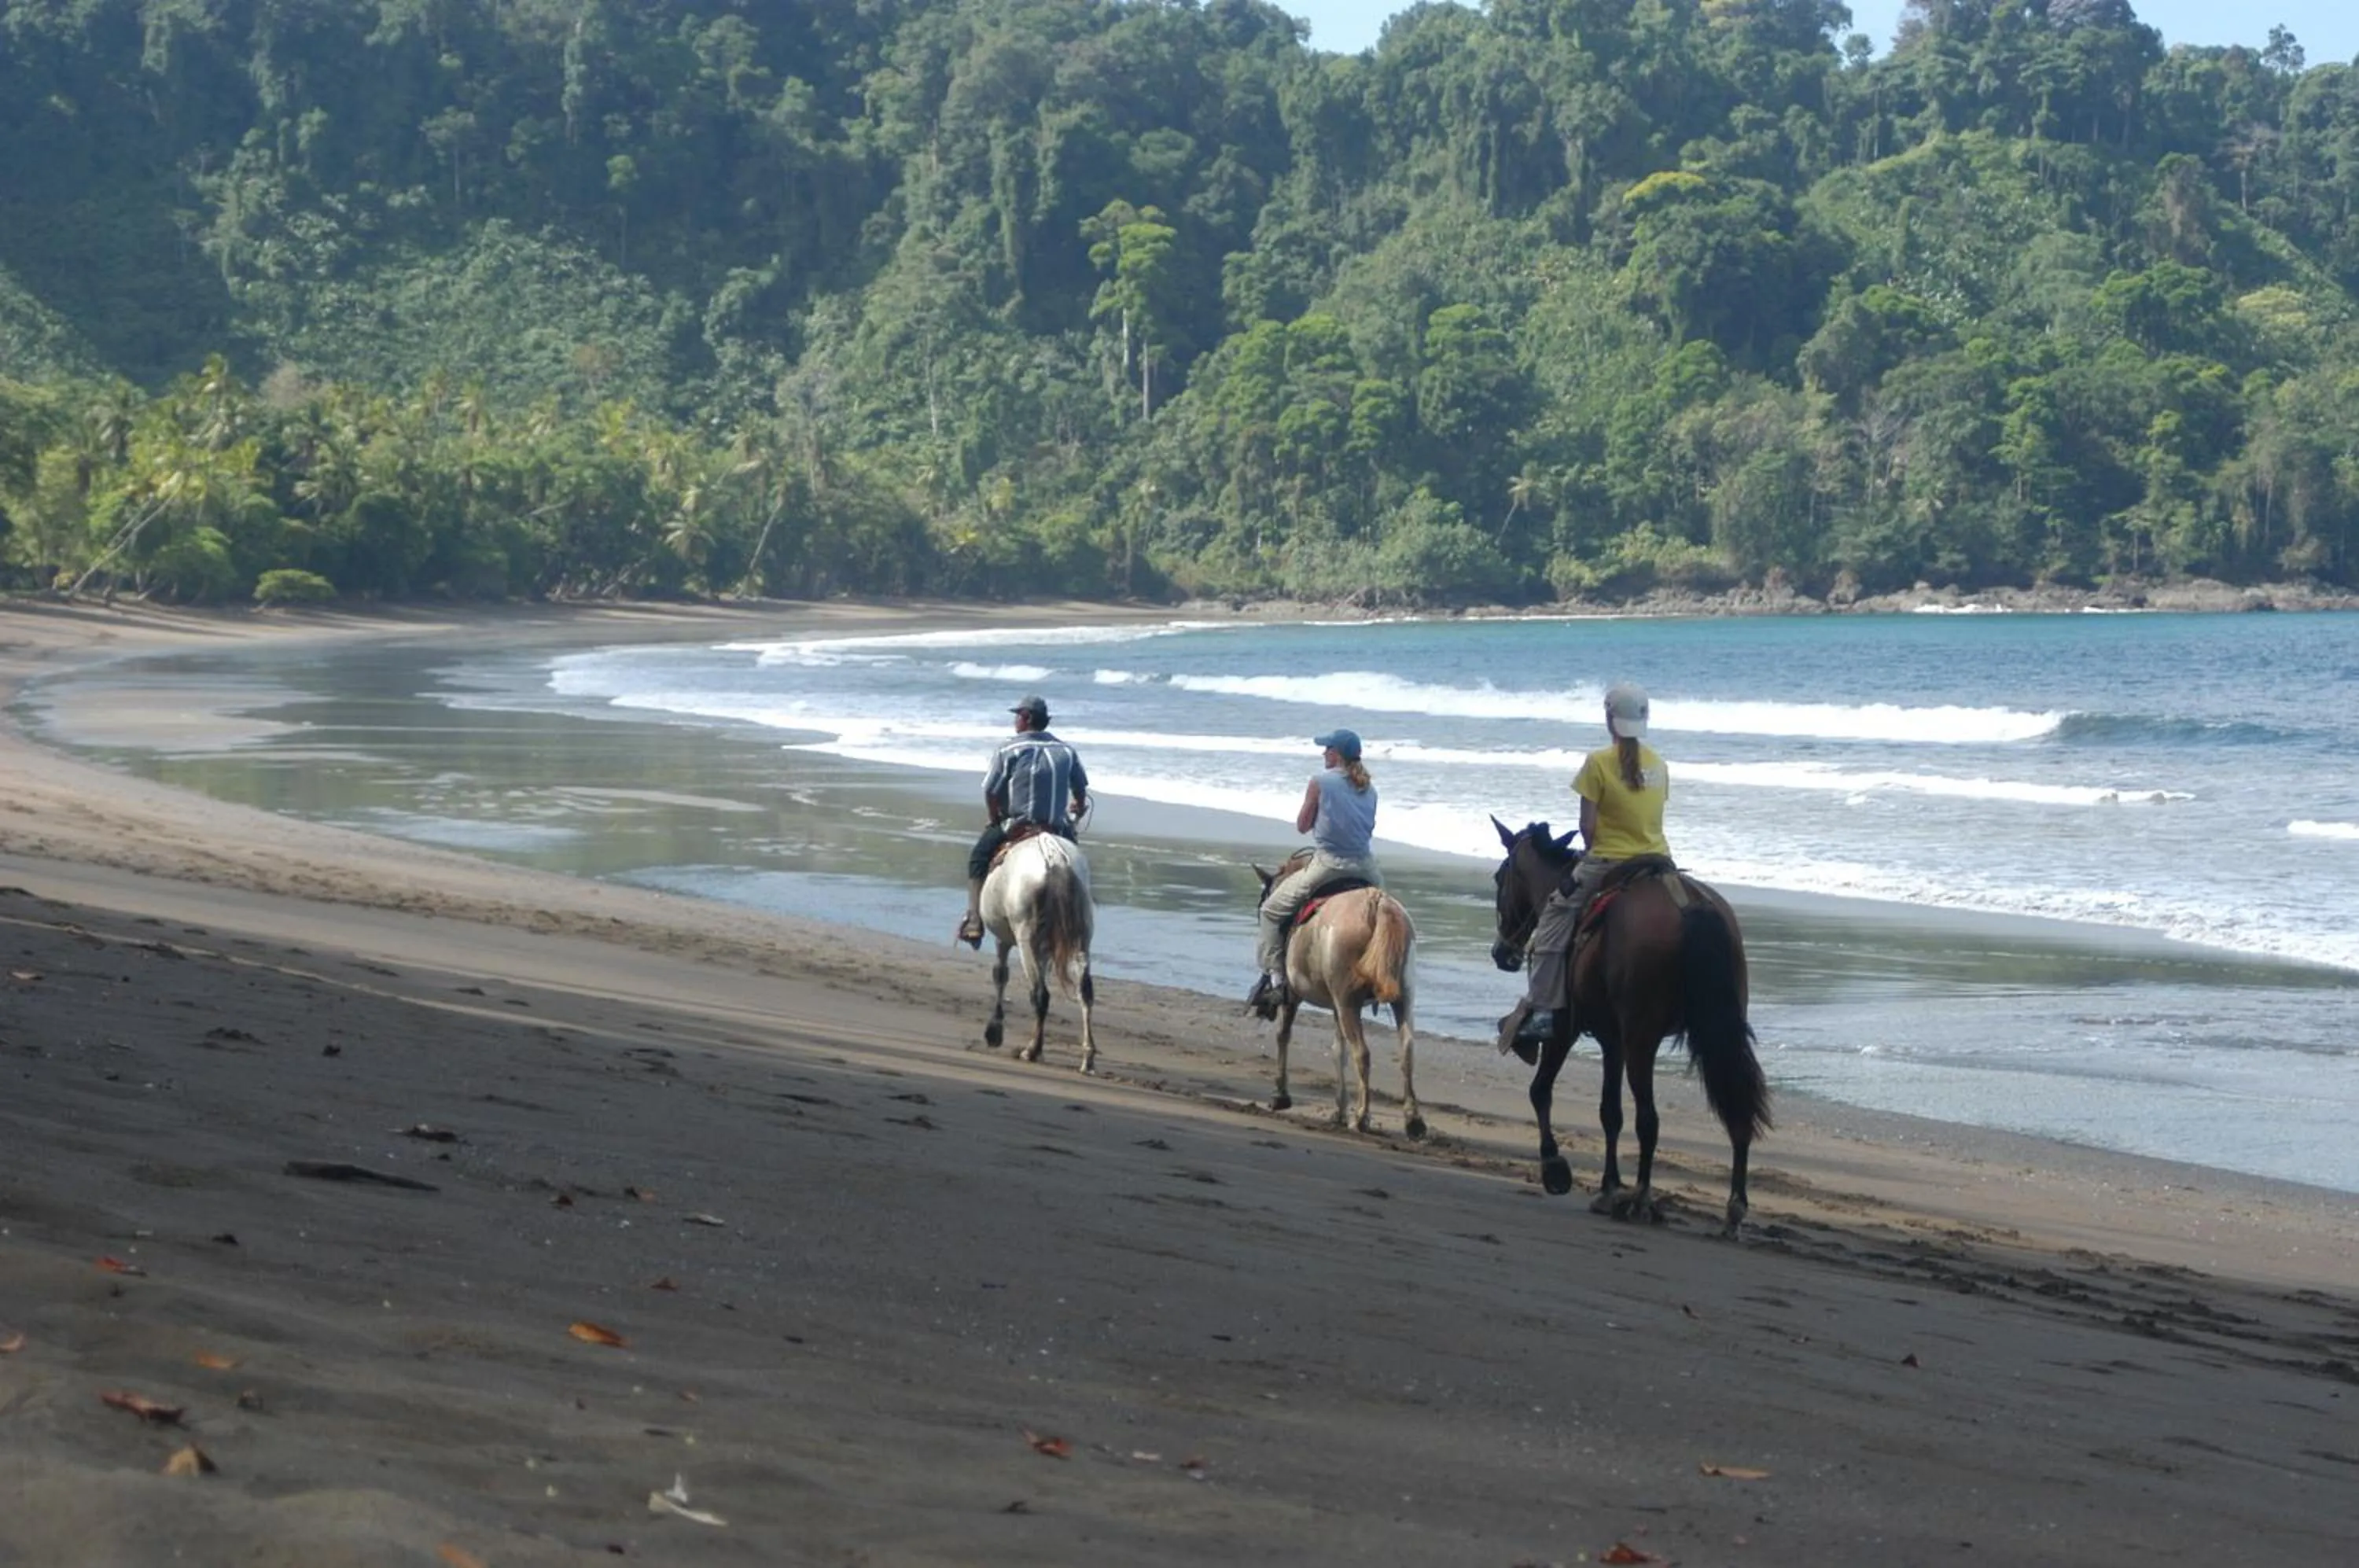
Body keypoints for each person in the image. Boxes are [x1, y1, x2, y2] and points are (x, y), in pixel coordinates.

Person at [1507, 682, 1669, 1051]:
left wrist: (1593, 853)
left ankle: (1545, 1010)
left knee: (1553, 916)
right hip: (1659, 859)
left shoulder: (1597, 763)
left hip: (1608, 860)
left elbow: (1588, 827)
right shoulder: (1660, 764)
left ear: (1610, 719)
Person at [1248, 727, 1382, 1018]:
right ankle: (1385, 977)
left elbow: (1302, 825)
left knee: (1271, 911)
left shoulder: (1319, 781)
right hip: (1368, 867)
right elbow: (1367, 829)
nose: (1323, 753)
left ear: (1336, 754)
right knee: (1387, 917)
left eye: (1327, 749)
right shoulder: (1370, 789)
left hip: (1329, 864)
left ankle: (1276, 982)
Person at [956, 694, 1089, 948]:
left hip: (1017, 826)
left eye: (1018, 715)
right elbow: (1080, 787)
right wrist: (1079, 806)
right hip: (1057, 827)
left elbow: (991, 791)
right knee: (1076, 865)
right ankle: (1079, 916)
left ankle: (974, 921)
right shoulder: (1066, 751)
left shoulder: (1009, 749)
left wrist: (994, 817)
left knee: (978, 858)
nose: (1015, 720)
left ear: (1026, 718)